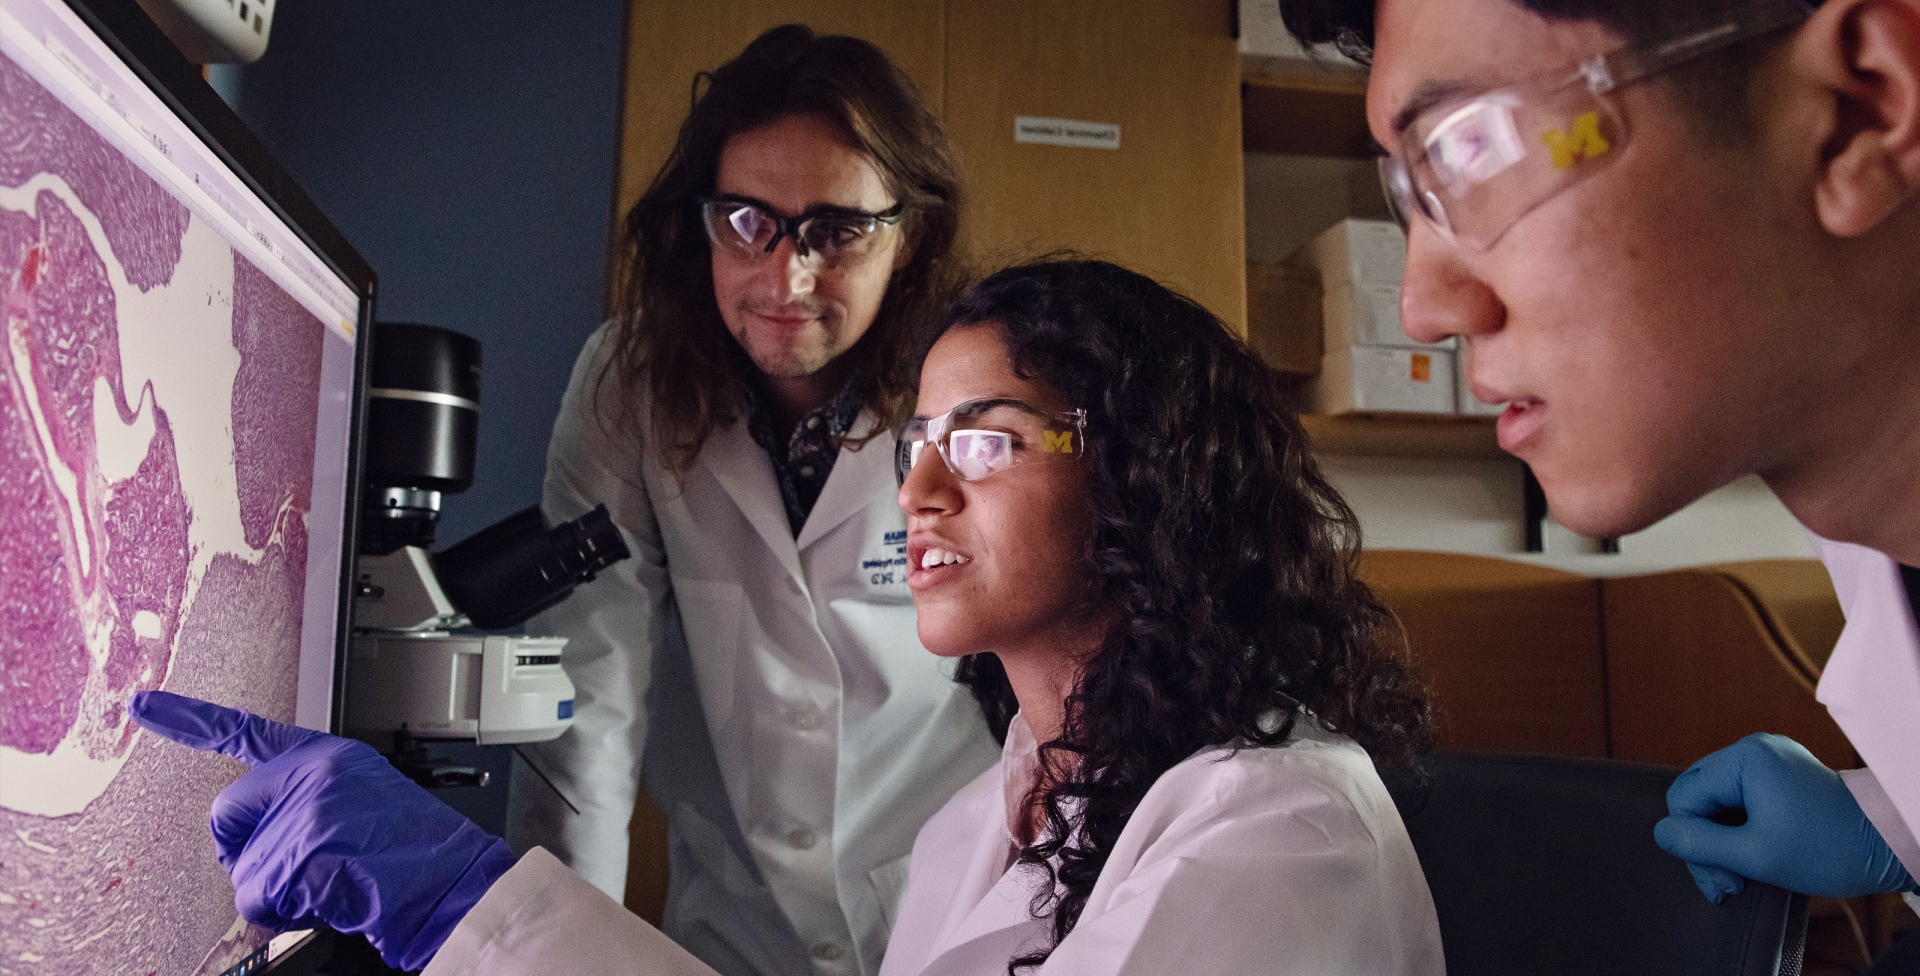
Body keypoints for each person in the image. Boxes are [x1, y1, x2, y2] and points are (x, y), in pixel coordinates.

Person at [130, 258, 1443, 974]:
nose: (916, 491)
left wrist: (480, 907)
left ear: (1152, 465)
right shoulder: (985, 822)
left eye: (983, 443)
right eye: (916, 440)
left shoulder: (1281, 833)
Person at [1264, 0, 1920, 916]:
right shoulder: (1874, 549)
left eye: (1470, 150)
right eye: (1415, 193)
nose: (1425, 307)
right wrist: (1895, 823)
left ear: (1861, 112)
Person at [506, 22, 999, 976]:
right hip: (738, 933)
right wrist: (558, 956)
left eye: (837, 232)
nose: (787, 277)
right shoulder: (631, 385)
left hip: (968, 915)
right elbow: (589, 699)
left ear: (913, 233)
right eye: (748, 223)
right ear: (702, 222)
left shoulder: (978, 384)